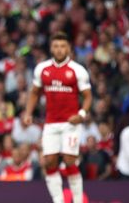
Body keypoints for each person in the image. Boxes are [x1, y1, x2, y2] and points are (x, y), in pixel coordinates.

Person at [22, 32, 92, 203]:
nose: (59, 50)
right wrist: (28, 113)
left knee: (69, 161)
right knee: (50, 162)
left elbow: (88, 96)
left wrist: (81, 114)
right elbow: (34, 93)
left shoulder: (78, 70)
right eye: (56, 46)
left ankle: (77, 200)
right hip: (51, 123)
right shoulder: (42, 69)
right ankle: (58, 200)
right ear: (51, 48)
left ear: (68, 48)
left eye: (62, 46)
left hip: (70, 124)